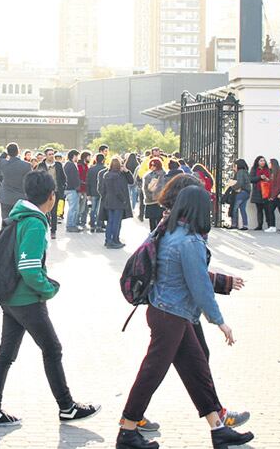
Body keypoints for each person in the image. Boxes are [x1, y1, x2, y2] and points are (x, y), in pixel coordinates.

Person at [115, 187, 253, 449]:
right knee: (151, 372)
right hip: (171, 315)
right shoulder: (189, 241)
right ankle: (127, 430)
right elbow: (199, 285)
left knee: (196, 371)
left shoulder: (169, 230)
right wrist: (219, 321)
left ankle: (218, 428)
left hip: (168, 312)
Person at [0, 170, 100, 427]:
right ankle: (66, 406)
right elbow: (30, 268)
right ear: (51, 196)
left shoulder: (17, 217)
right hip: (27, 300)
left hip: (9, 298)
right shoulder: (35, 223)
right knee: (52, 349)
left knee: (5, 353)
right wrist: (48, 289)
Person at [101, 156, 135, 248]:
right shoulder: (119, 175)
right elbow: (129, 183)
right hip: (118, 202)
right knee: (116, 222)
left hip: (108, 201)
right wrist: (123, 200)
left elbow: (102, 189)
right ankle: (114, 240)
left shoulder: (106, 175)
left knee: (110, 221)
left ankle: (108, 240)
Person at [36, 148, 67, 240]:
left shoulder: (58, 165)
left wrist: (63, 187)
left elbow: (63, 178)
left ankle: (53, 231)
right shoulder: (41, 165)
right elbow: (37, 177)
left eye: (53, 154)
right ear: (46, 155)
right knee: (44, 211)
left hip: (55, 192)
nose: (52, 156)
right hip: (44, 192)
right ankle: (44, 228)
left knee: (54, 212)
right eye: (50, 154)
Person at [0, 143, 31, 221]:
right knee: (19, 221)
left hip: (5, 197)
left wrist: (5, 152)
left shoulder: (3, 163)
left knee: (5, 220)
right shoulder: (26, 165)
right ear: (18, 151)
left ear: (8, 152)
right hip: (20, 197)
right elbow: (29, 181)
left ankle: (6, 232)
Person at [225, 159, 250, 230]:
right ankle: (245, 225)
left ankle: (234, 224)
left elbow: (240, 183)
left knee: (234, 208)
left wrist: (233, 187)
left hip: (241, 193)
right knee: (242, 209)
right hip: (247, 193)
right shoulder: (246, 172)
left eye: (234, 166)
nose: (233, 168)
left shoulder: (240, 172)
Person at [142, 158, 166, 231]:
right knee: (153, 220)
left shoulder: (163, 175)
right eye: (151, 165)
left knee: (158, 220)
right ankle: (153, 236)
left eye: (154, 165)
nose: (152, 166)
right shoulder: (147, 175)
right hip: (153, 201)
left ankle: (154, 236)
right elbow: (145, 188)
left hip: (157, 201)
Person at [62, 150, 83, 233]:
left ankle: (72, 224)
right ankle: (70, 225)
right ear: (74, 156)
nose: (78, 158)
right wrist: (77, 187)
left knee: (73, 208)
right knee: (73, 208)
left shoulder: (68, 164)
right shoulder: (71, 165)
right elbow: (73, 178)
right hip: (71, 189)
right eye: (77, 156)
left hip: (69, 189)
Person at [265, 159, 280, 233]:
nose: (268, 164)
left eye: (270, 163)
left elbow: (278, 186)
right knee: (275, 211)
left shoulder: (279, 172)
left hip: (277, 196)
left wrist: (273, 196)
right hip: (274, 195)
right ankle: (273, 226)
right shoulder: (273, 173)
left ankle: (274, 226)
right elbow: (272, 184)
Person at [87, 152, 106, 233]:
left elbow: (88, 181)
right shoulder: (105, 169)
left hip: (93, 191)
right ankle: (99, 226)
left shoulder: (91, 169)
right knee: (100, 210)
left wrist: (88, 193)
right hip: (102, 192)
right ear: (103, 160)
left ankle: (92, 225)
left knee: (93, 209)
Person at [250, 157, 270, 232]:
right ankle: (259, 225)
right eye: (261, 161)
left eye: (264, 160)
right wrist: (260, 177)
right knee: (259, 209)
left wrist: (267, 179)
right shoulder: (254, 169)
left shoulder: (267, 169)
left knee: (267, 209)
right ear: (257, 162)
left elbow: (271, 179)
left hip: (266, 192)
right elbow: (251, 179)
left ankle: (269, 225)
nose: (263, 162)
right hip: (257, 191)